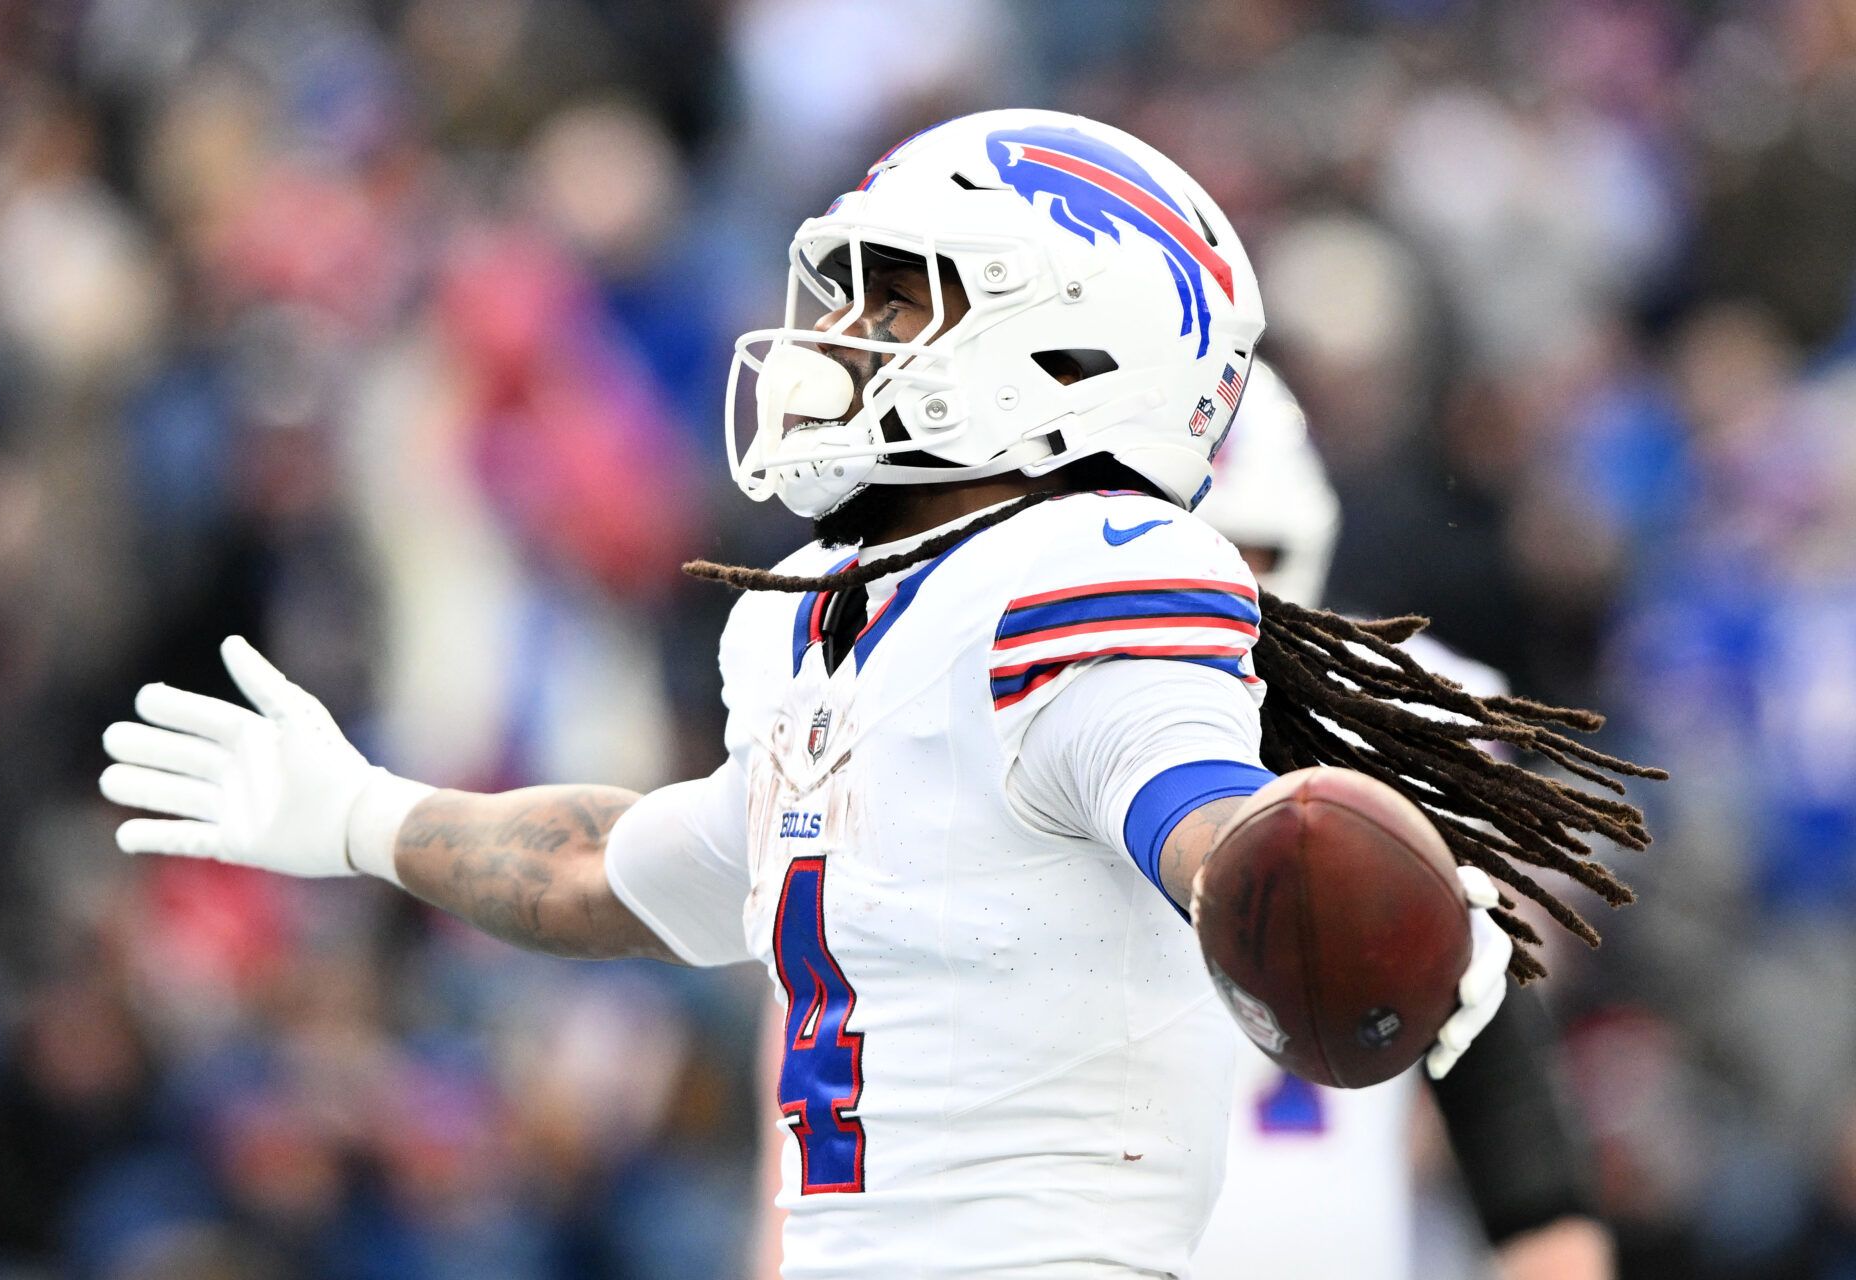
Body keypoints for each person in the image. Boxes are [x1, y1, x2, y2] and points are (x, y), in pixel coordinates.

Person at [99, 109, 1657, 1277]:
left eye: (900, 299)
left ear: (1065, 350)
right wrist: (366, 816)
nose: (841, 337)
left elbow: (1176, 790)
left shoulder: (1085, 568)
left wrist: (1282, 872)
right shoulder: (830, 626)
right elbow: (629, 868)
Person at [1188, 364, 1615, 1280]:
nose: (1223, 587)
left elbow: (1498, 1071)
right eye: (1192, 551)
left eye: (1245, 551)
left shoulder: (1395, 720)